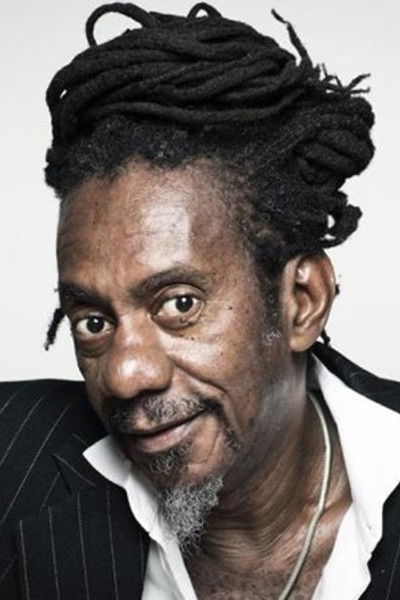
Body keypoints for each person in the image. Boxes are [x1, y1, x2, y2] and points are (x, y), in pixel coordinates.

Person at [0, 3, 399, 599]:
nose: (126, 375)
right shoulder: (11, 461)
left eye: (179, 305)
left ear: (302, 301)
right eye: (93, 321)